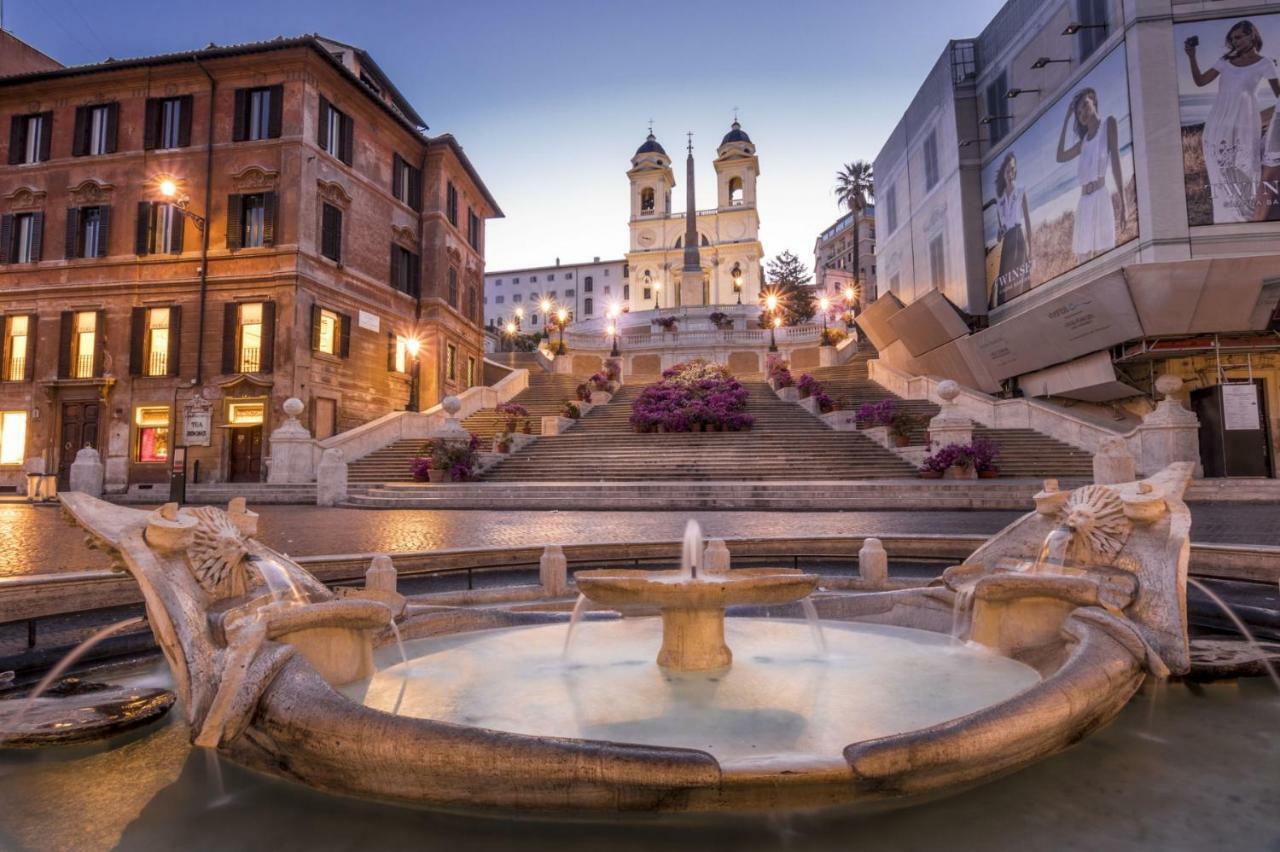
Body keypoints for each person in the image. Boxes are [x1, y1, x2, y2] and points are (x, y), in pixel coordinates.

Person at [1184, 20, 1280, 223]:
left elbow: (1279, 95)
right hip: (1218, 121)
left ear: (1251, 35)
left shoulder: (1266, 63)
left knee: (1245, 169)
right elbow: (1200, 81)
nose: (1235, 42)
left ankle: (1248, 216)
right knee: (1219, 169)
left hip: (1246, 121)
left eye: (1238, 37)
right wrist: (1192, 57)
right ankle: (1226, 218)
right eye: (1232, 39)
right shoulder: (1225, 61)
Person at [1056, 87, 1127, 264]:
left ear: (1093, 100)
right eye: (1078, 113)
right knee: (1083, 261)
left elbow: (1116, 164)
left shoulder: (1108, 123)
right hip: (1084, 205)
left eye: (1085, 106)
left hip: (1101, 197)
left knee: (1107, 257)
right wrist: (1066, 119)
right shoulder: (1083, 143)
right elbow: (1060, 156)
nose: (1083, 114)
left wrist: (1124, 203)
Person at [992, 152, 1034, 304]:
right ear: (1003, 172)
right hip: (1007, 242)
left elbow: (1028, 220)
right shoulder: (1000, 199)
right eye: (1008, 170)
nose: (1010, 173)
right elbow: (999, 235)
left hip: (1018, 238)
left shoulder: (1021, 189)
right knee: (1006, 290)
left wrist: (1031, 248)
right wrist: (999, 233)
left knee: (1019, 285)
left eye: (1013, 169)